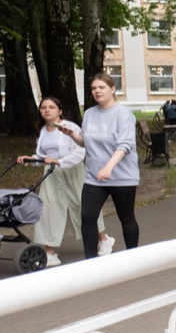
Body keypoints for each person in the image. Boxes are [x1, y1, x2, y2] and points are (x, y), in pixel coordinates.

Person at [16, 97, 113, 266]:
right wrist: (30, 159)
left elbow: (80, 152)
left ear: (59, 111)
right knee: (48, 210)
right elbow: (41, 155)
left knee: (84, 206)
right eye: (43, 107)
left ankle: (104, 238)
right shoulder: (43, 131)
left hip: (73, 171)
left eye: (51, 107)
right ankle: (49, 252)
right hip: (52, 175)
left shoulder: (69, 127)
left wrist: (59, 162)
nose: (47, 110)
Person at [60, 73, 141, 258]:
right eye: (94, 88)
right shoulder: (89, 113)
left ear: (113, 89)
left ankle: (134, 258)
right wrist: (72, 135)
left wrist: (109, 167)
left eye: (101, 87)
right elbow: (87, 143)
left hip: (122, 176)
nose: (97, 91)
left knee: (126, 217)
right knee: (87, 217)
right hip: (94, 176)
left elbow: (125, 145)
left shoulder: (123, 113)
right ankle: (91, 262)